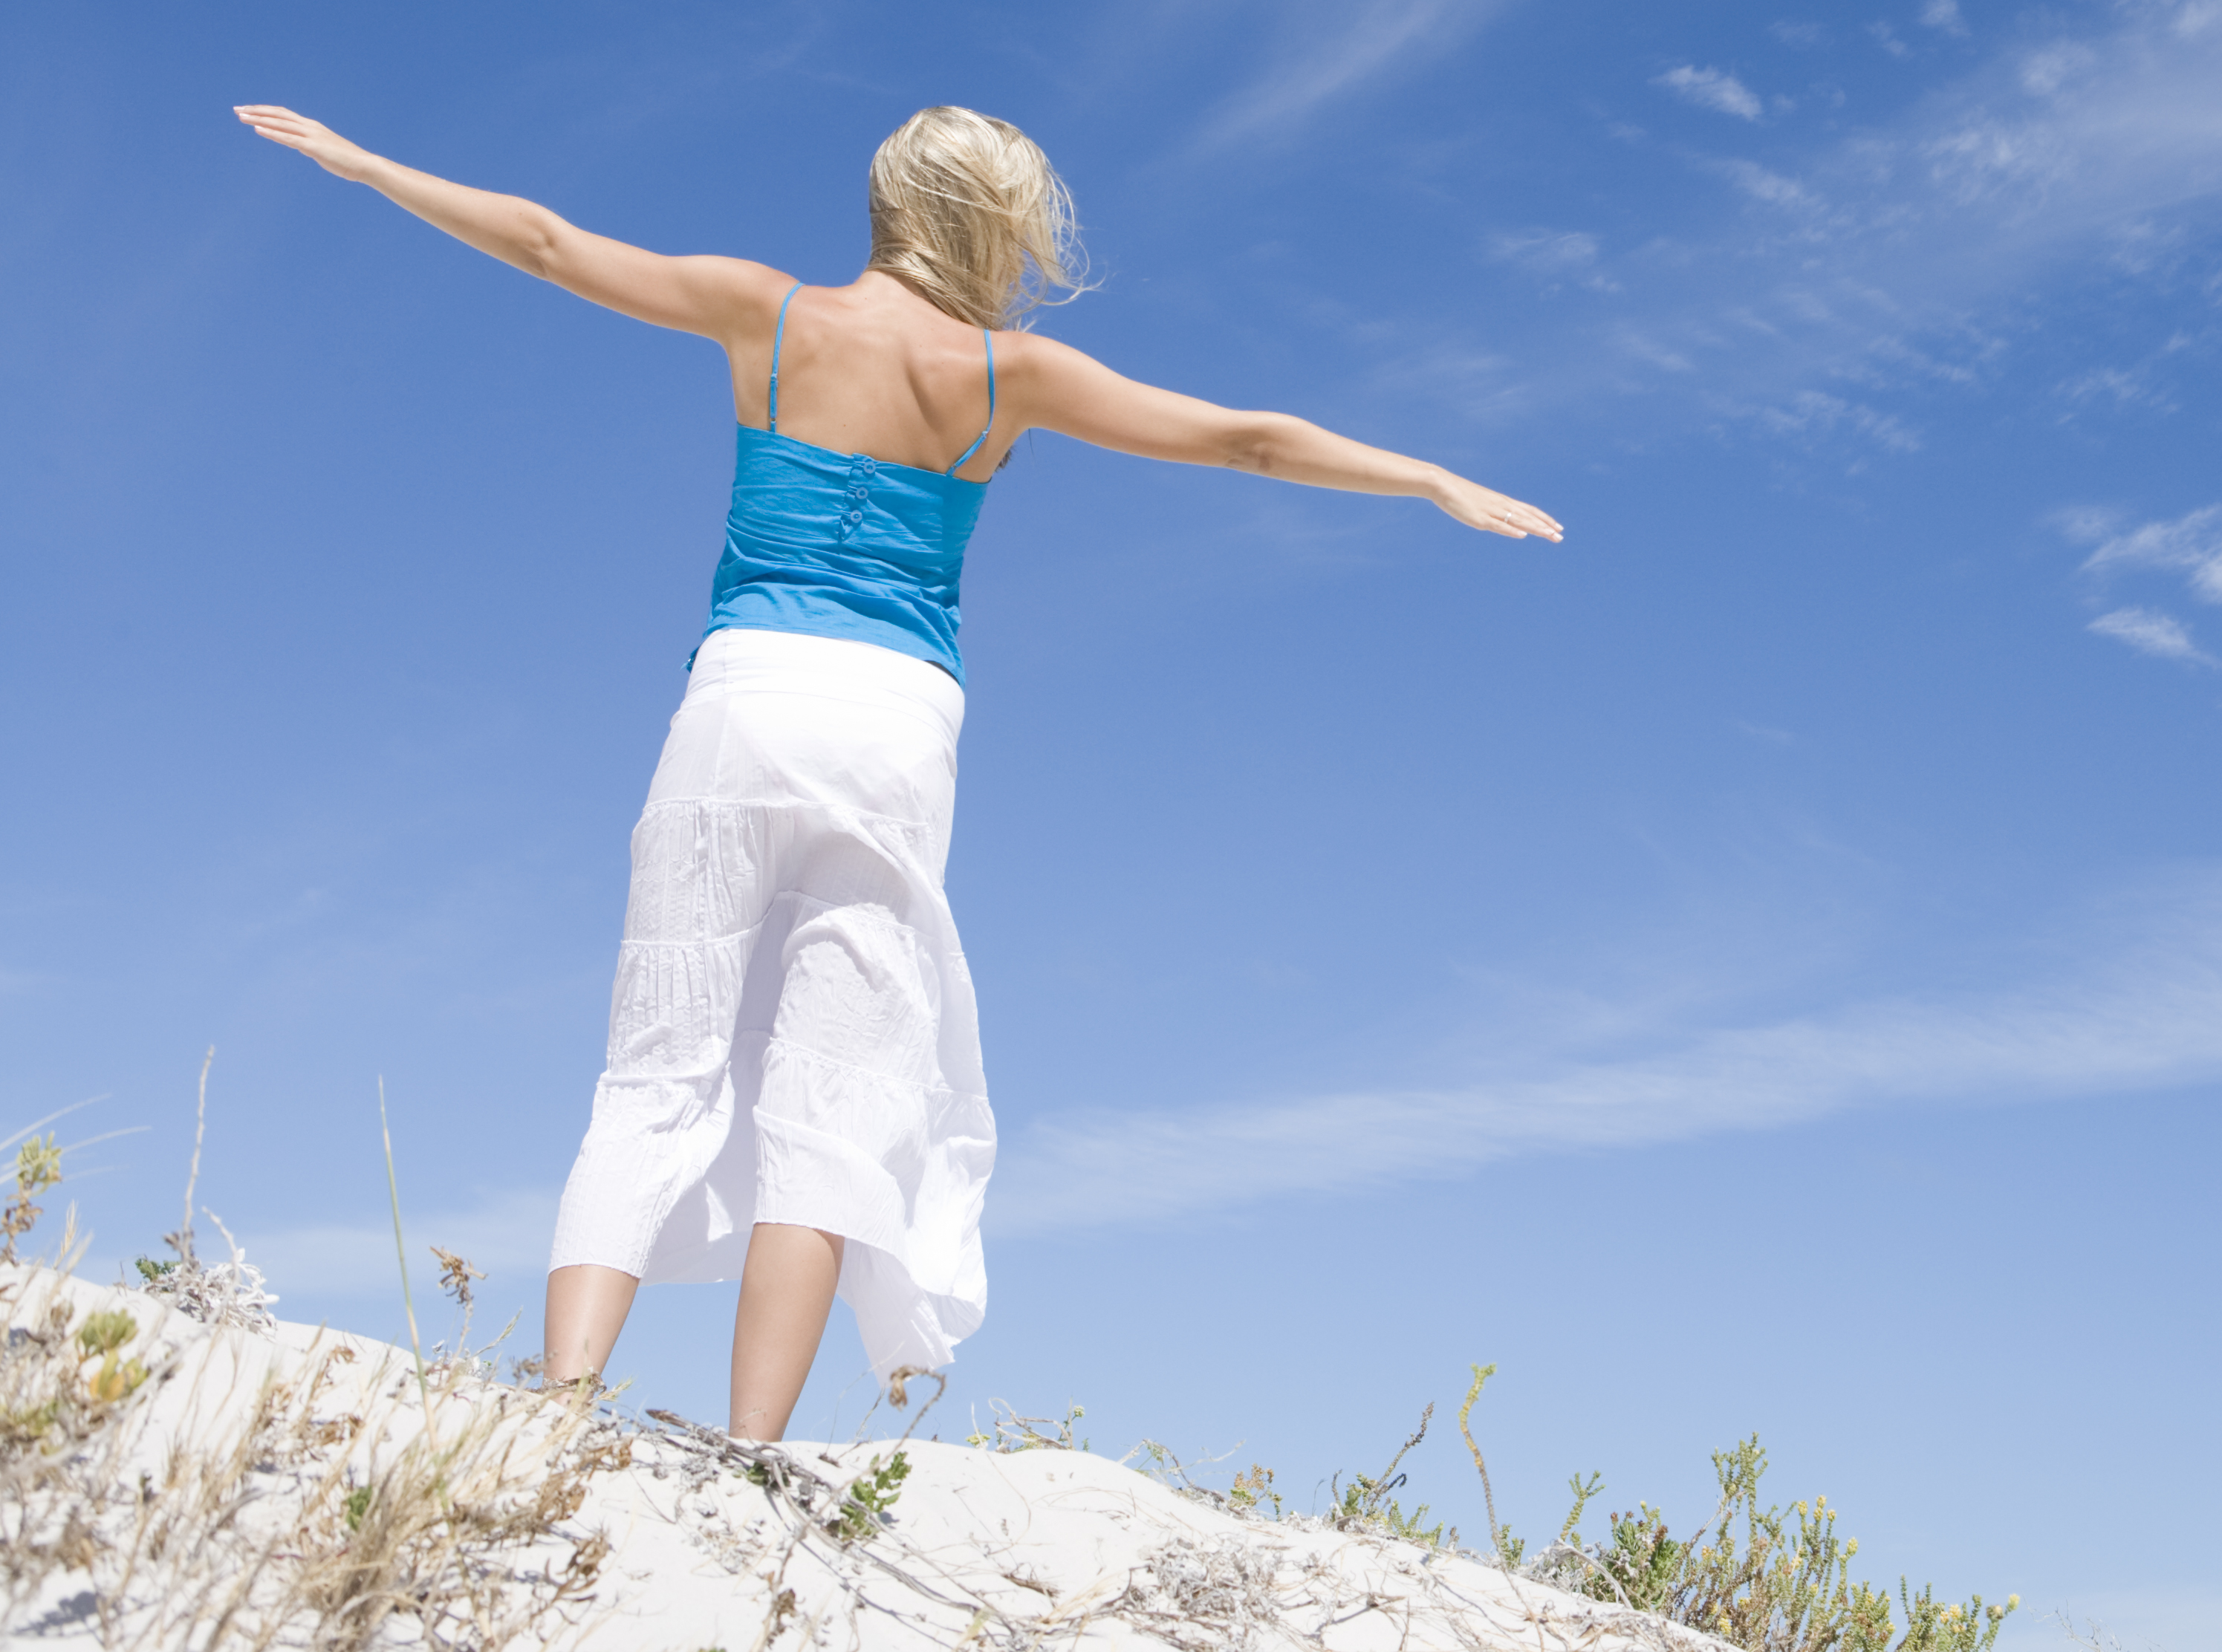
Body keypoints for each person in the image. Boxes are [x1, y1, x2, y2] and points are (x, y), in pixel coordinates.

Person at [235, 102, 1560, 1437]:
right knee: (831, 1087)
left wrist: (367, 162)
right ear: (1000, 226)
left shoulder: (769, 314)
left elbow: (544, 241)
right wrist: (1428, 475)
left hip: (743, 696)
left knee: (658, 1062)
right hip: (893, 726)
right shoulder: (1008, 375)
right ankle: (751, 1453)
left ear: (882, 207)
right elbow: (1246, 440)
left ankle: (558, 1411)